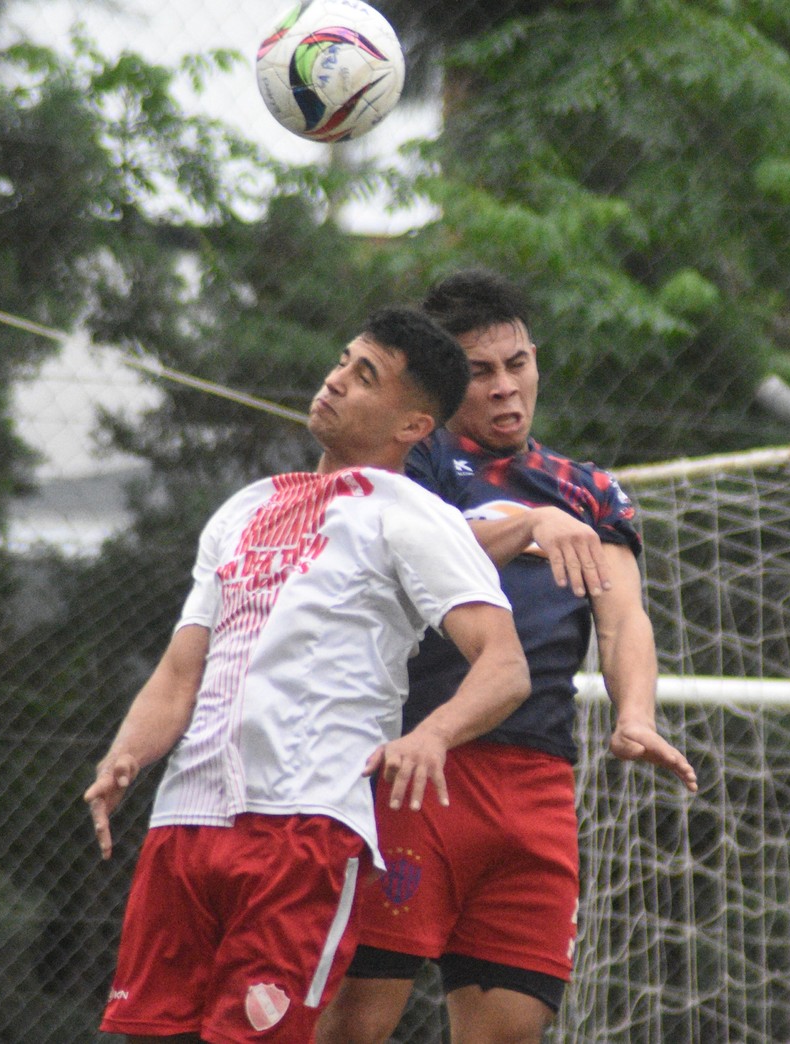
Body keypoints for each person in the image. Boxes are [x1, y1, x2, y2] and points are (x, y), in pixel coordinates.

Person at [84, 307, 533, 1044]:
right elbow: (179, 670)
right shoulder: (242, 509)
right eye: (343, 361)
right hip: (185, 821)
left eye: (365, 377)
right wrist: (126, 754)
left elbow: (504, 665)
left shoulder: (413, 515)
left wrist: (433, 734)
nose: (335, 381)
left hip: (304, 828)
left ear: (413, 427)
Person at [315, 269, 699, 1044]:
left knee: (508, 1032)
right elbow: (406, 556)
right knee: (353, 1026)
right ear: (444, 386)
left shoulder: (589, 491)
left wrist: (634, 715)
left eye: (516, 363)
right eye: (480, 371)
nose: (503, 387)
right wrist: (527, 523)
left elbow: (621, 612)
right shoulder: (411, 462)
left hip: (536, 786)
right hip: (415, 760)